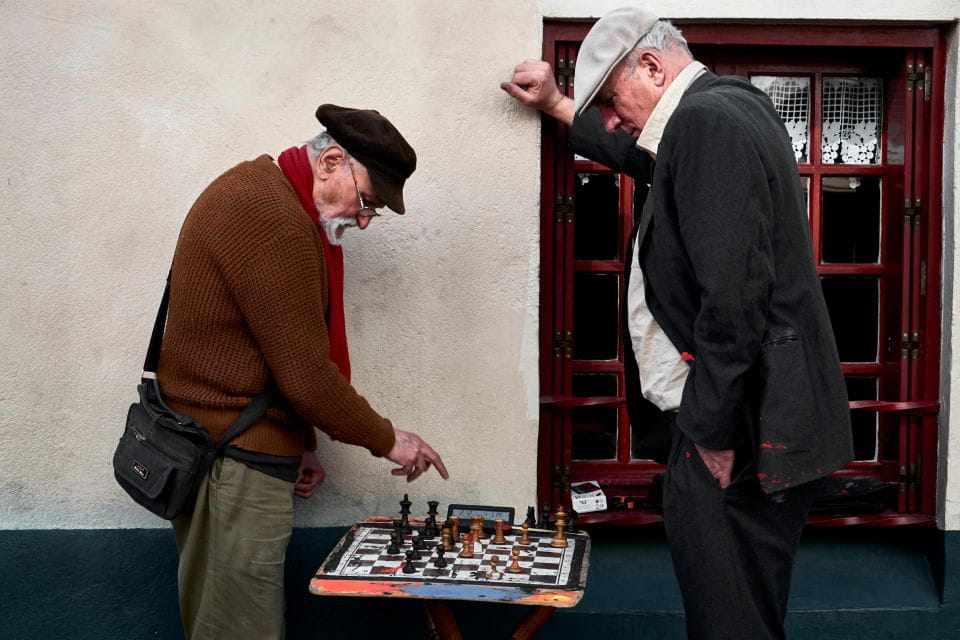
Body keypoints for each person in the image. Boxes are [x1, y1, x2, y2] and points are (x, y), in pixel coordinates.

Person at [502, 7, 853, 639]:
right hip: (758, 419)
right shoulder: (729, 105)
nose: (610, 119)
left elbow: (735, 299)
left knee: (729, 626)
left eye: (609, 99)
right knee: (743, 616)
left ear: (652, 66)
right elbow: (646, 158)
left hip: (736, 431)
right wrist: (561, 105)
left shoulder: (704, 124)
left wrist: (713, 434)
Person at [156, 104, 449, 640]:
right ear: (331, 160)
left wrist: (302, 441)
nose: (363, 220)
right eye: (367, 201)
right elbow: (307, 377)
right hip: (231, 463)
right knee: (241, 631)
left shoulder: (270, 194)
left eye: (373, 211)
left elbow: (272, 351)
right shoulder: (272, 217)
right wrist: (390, 441)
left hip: (236, 450)